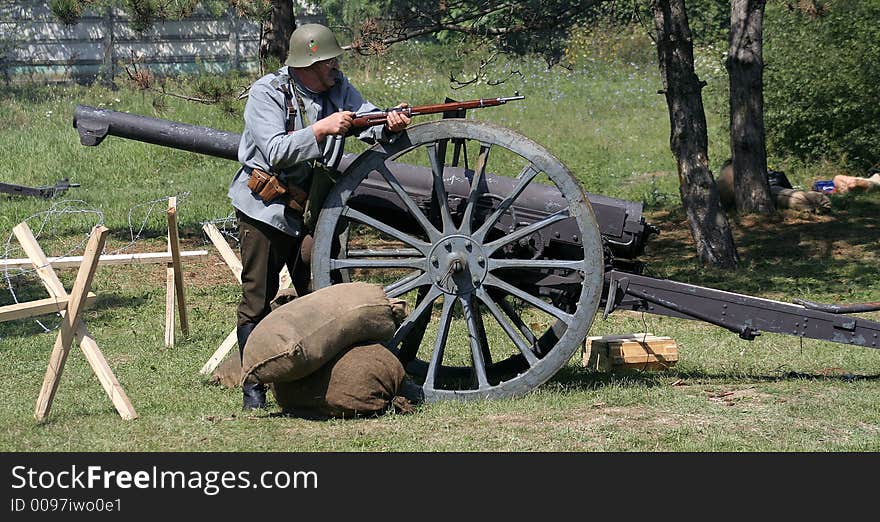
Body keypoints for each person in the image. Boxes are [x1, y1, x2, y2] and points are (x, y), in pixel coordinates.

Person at [228, 23, 411, 410]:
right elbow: (275, 151)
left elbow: (368, 121)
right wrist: (321, 129)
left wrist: (389, 122)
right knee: (255, 301)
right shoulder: (267, 92)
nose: (336, 66)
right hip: (265, 209)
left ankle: (320, 380)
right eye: (330, 61)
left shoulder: (338, 87)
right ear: (308, 64)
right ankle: (253, 389)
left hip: (311, 211)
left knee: (323, 293)